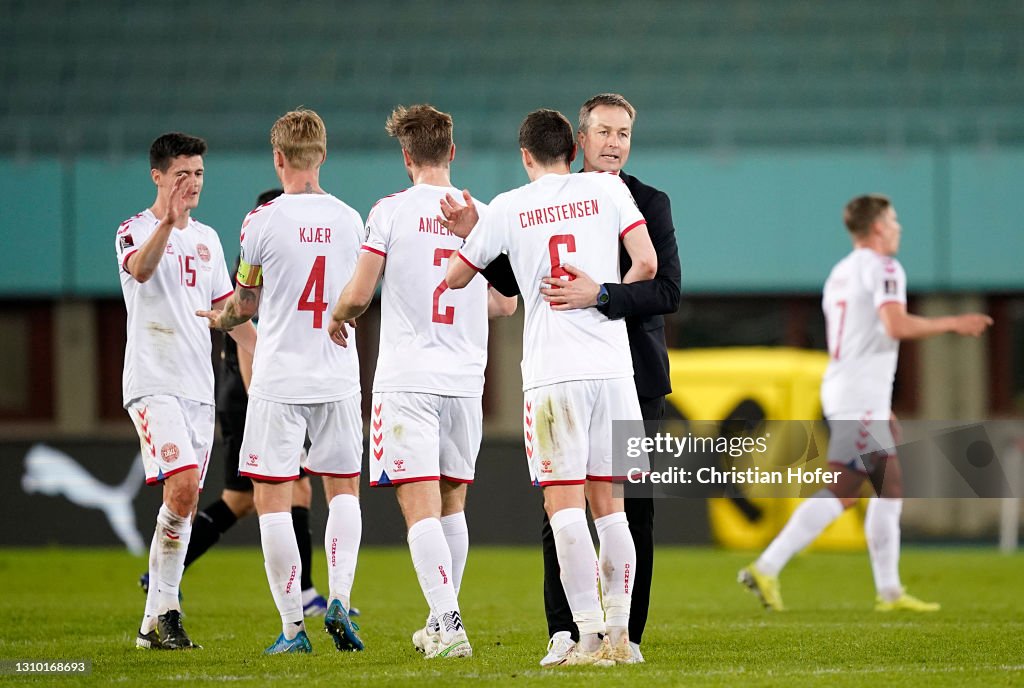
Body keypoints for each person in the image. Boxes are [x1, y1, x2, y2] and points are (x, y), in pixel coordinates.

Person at [466, 93, 681, 665]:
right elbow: (516, 282)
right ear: (579, 141)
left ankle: (623, 634)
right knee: (563, 509)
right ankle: (565, 629)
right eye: (605, 132)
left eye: (625, 134)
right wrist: (482, 238)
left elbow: (667, 291)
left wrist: (602, 295)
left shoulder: (648, 201)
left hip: (635, 375)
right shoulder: (561, 200)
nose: (615, 143)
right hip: (591, 373)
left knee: (629, 507)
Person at [739, 194, 993, 612]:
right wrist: (953, 322)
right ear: (877, 226)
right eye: (893, 220)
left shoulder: (840, 271)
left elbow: (862, 334)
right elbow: (894, 323)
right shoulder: (885, 267)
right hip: (857, 395)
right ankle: (766, 567)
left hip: (853, 391)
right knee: (844, 488)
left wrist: (879, 401)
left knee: (888, 487)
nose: (898, 227)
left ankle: (889, 592)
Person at [328, 104, 517, 660]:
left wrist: (339, 316)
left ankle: (449, 624)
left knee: (419, 509)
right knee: (453, 504)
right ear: (452, 153)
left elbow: (360, 294)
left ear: (407, 156)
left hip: (408, 379)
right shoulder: (481, 214)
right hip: (465, 381)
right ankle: (440, 624)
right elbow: (506, 303)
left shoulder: (389, 211)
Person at [198, 109, 365, 654]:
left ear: (278, 158)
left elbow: (245, 302)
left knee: (271, 498)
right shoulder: (350, 220)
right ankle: (338, 596)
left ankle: (294, 629)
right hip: (338, 376)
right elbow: (359, 297)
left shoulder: (261, 221)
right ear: (323, 155)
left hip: (279, 377)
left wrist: (218, 317)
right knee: (341, 488)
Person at [140, 188, 343, 619]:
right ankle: (302, 595)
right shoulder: (265, 264)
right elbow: (247, 342)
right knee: (281, 490)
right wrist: (259, 401)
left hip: (249, 391)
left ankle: (161, 574)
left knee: (243, 497)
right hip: (250, 392)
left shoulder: (265, 262)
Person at [117, 132, 257, 650]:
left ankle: (154, 623)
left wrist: (271, 367)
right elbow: (142, 270)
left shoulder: (209, 241)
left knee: (187, 499)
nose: (191, 183)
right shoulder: (134, 231)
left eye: (198, 174)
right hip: (153, 383)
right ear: (158, 176)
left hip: (199, 389)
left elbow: (233, 317)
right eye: (182, 174)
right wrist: (167, 226)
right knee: (179, 487)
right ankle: (169, 610)